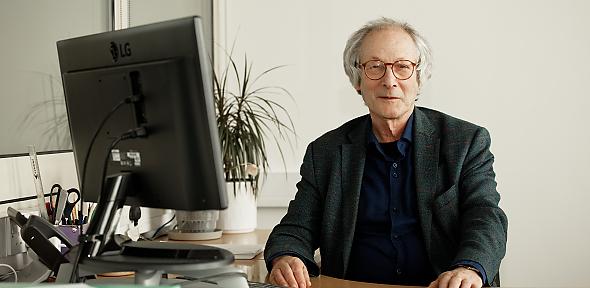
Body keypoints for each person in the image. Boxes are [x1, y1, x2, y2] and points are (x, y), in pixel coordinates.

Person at [264, 17, 507, 288]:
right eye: (375, 67)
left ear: (419, 79)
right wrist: (286, 255)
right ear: (357, 81)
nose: (389, 81)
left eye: (403, 67)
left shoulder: (465, 142)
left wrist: (468, 268)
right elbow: (296, 227)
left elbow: (485, 216)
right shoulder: (326, 153)